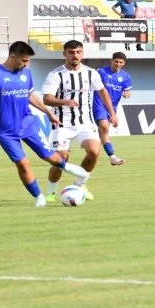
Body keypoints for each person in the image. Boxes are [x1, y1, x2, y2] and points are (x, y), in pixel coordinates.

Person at [0, 42, 88, 207]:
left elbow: (30, 95)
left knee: (48, 156)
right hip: (4, 130)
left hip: (28, 124)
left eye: (28, 61)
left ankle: (66, 167)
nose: (26, 64)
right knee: (22, 162)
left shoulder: (26, 73)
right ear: (13, 57)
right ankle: (39, 197)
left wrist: (49, 112)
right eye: (24, 61)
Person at [41, 40, 118, 202]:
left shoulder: (91, 73)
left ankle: (79, 185)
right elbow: (47, 99)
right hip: (61, 124)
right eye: (71, 52)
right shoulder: (55, 75)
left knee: (94, 152)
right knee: (61, 160)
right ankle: (50, 193)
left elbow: (102, 91)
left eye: (78, 52)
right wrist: (64, 102)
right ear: (65, 54)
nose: (75, 56)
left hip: (85, 123)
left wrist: (112, 112)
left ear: (82, 53)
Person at [94, 52, 131, 166]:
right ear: (112, 60)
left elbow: (128, 92)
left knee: (103, 131)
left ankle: (94, 150)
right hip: (99, 104)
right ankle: (112, 156)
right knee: (104, 128)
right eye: (116, 61)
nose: (118, 64)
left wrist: (127, 94)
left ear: (124, 63)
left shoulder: (125, 76)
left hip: (112, 107)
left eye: (120, 62)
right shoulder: (101, 72)